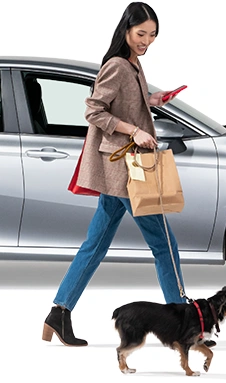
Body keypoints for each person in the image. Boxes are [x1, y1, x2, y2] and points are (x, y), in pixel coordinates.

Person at [42, 2, 190, 347]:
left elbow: (123, 103)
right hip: (125, 172)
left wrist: (150, 100)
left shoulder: (132, 63)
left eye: (152, 35)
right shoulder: (118, 65)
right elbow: (94, 110)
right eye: (141, 33)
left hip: (118, 173)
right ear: (126, 30)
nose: (146, 41)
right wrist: (134, 130)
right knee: (164, 245)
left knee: (94, 246)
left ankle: (59, 312)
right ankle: (181, 320)